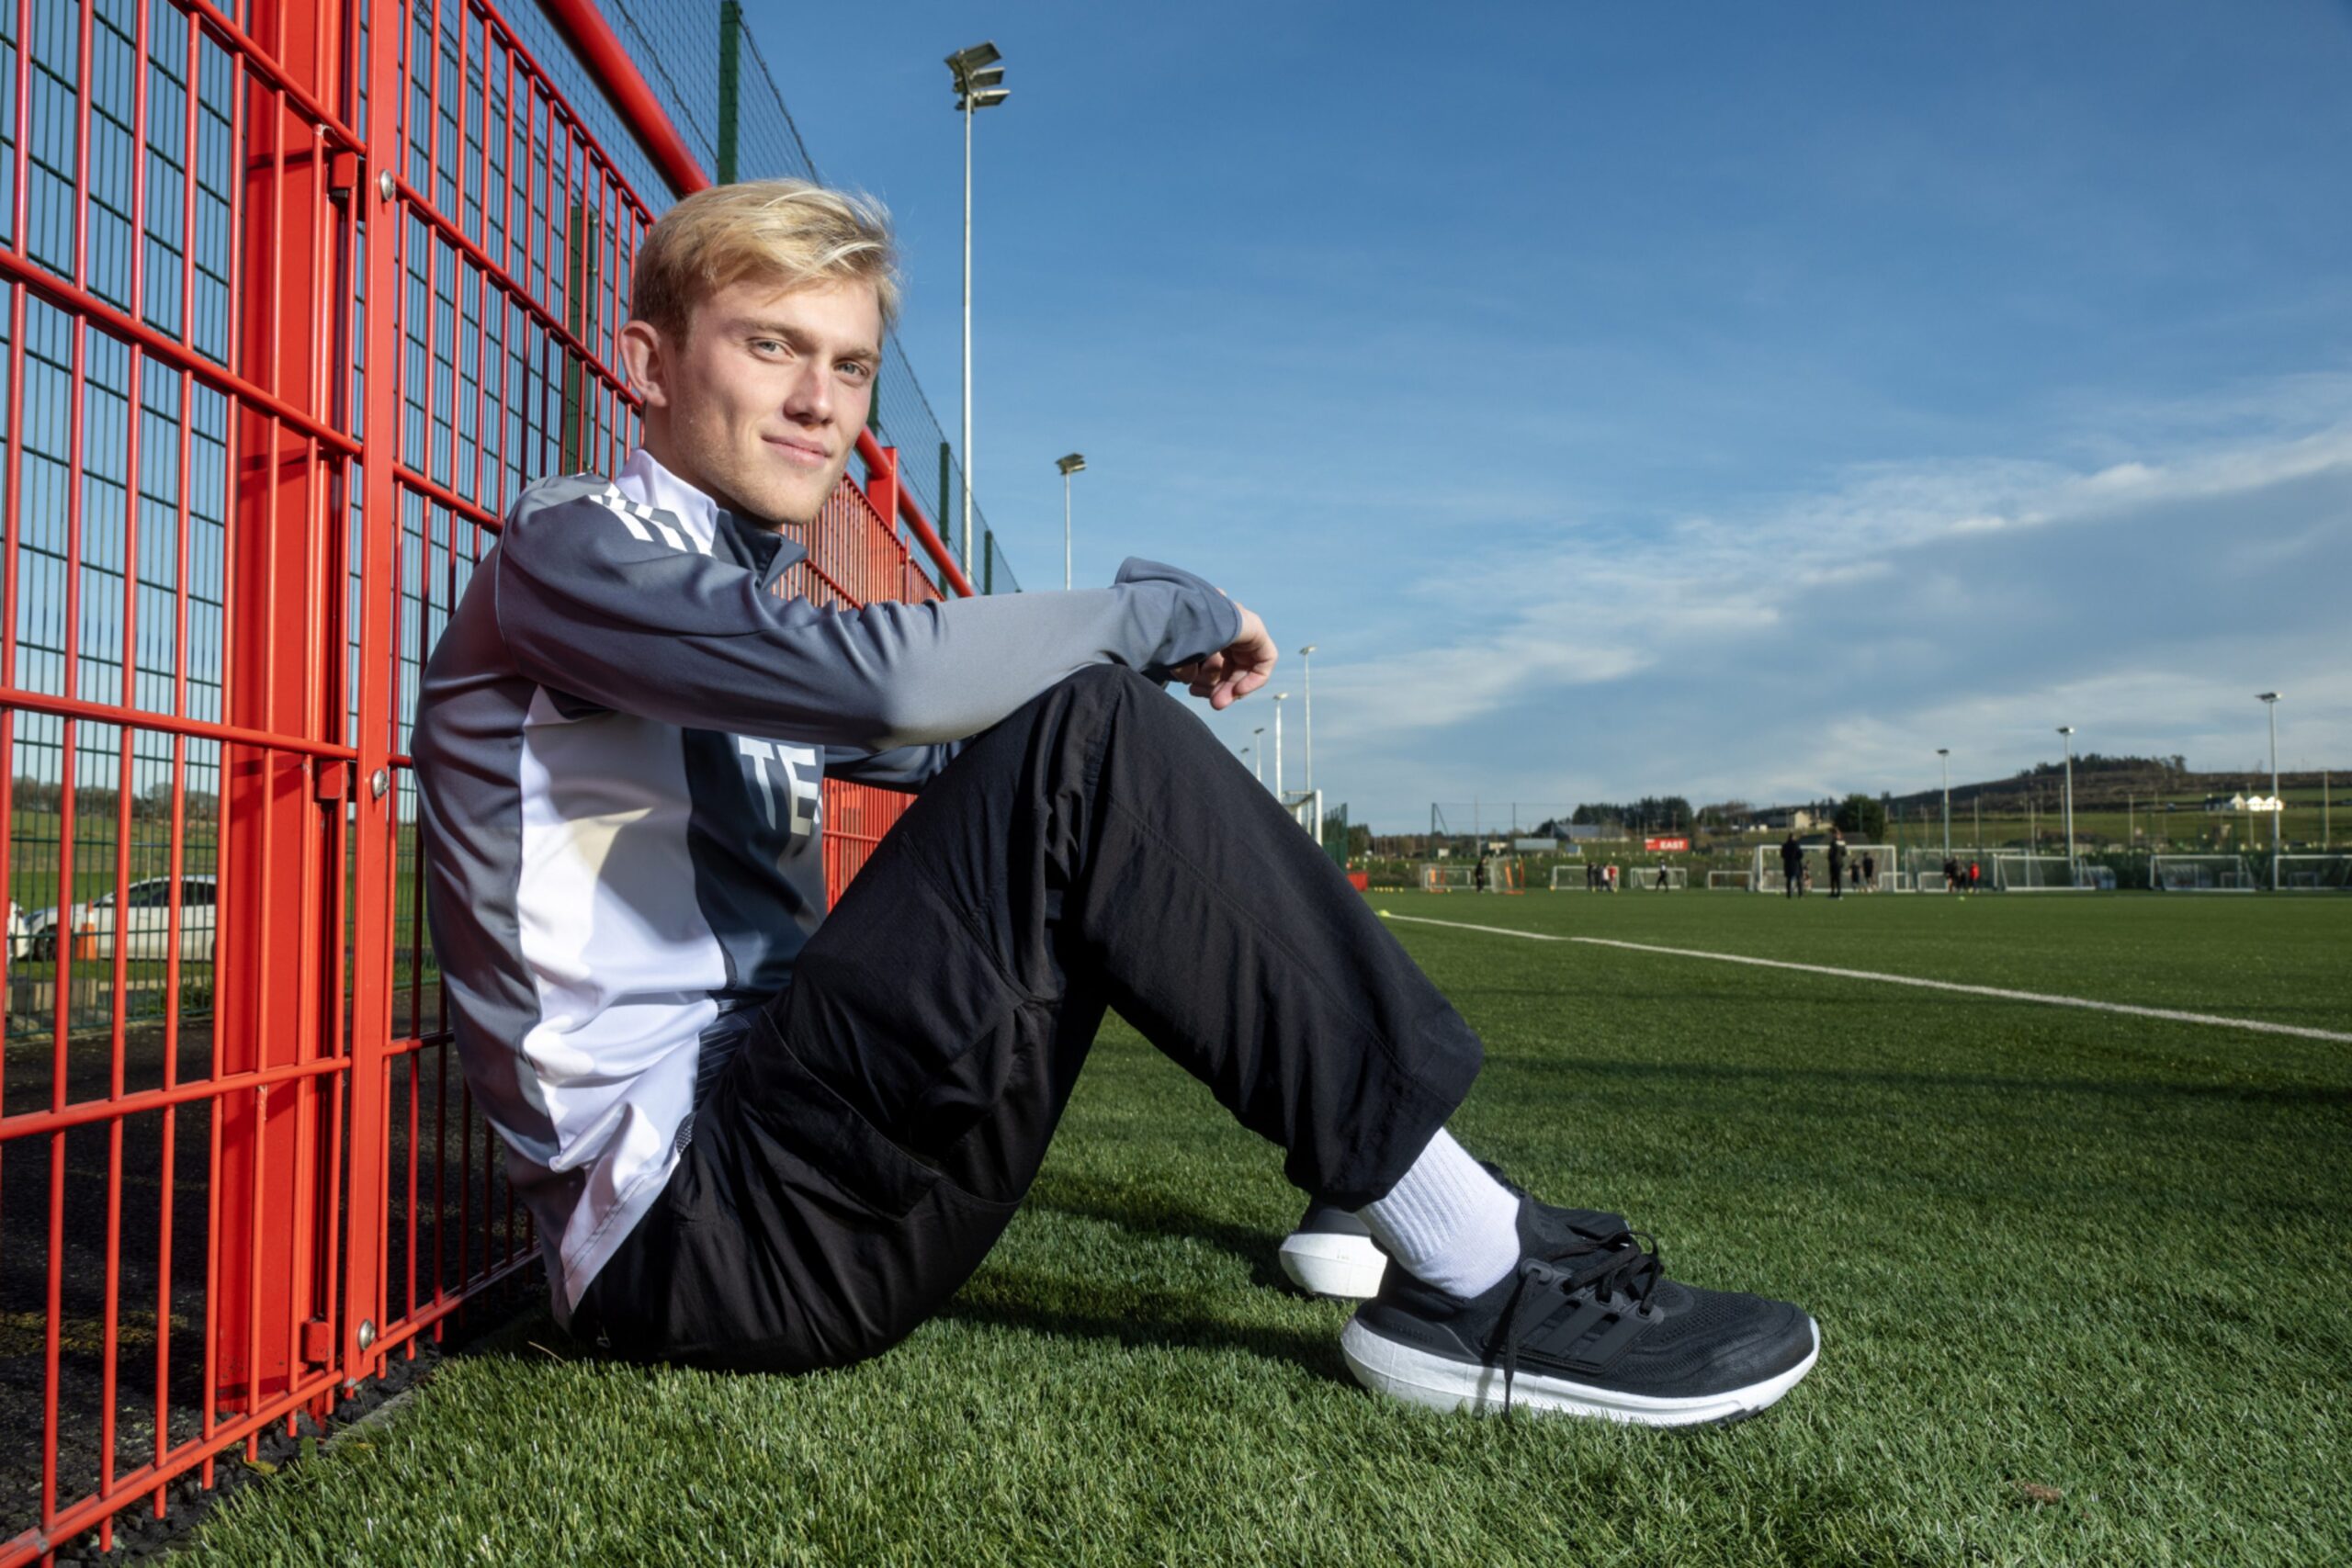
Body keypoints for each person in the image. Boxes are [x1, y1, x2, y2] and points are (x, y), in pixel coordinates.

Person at [410, 180, 1816, 1425]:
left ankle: (1405, 1188)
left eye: (848, 364)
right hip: (693, 1234)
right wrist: (1152, 612)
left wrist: (1132, 657)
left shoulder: (722, 601)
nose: (819, 402)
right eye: (772, 344)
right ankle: (1481, 1274)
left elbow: (989, 757)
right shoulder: (572, 547)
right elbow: (886, 689)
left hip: (805, 1175)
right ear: (648, 361)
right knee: (1091, 722)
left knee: (1083, 732)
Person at [1780, 832, 1804, 898]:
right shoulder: (1796, 844)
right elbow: (1801, 854)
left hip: (1787, 864)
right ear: (1793, 837)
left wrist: (1787, 858)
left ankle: (1789, 894)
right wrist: (1797, 858)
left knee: (1789, 879)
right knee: (1798, 879)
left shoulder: (1785, 845)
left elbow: (1782, 855)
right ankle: (1800, 894)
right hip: (1795, 863)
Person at [1826, 831, 1848, 900]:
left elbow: (1844, 853)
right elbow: (1843, 853)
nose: (1836, 835)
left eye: (1837, 834)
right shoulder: (1835, 843)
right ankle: (1833, 893)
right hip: (1834, 862)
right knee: (1833, 878)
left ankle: (1838, 893)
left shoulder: (1837, 843)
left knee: (1837, 878)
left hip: (1837, 863)